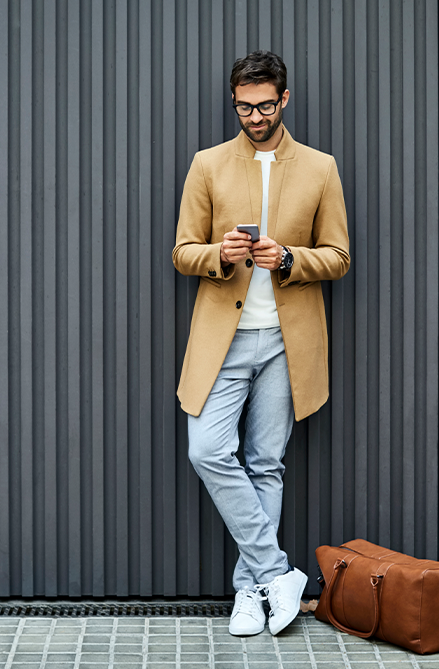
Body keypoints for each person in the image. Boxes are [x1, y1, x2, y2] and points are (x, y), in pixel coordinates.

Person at [171, 50, 351, 636]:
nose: (255, 117)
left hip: (286, 342)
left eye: (266, 106)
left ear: (284, 99)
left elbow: (339, 256)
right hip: (223, 341)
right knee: (207, 451)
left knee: (266, 464)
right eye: (245, 107)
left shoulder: (320, 168)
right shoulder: (208, 164)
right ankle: (277, 574)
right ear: (234, 103)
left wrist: (291, 259)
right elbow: (182, 251)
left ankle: (251, 594)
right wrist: (220, 255)